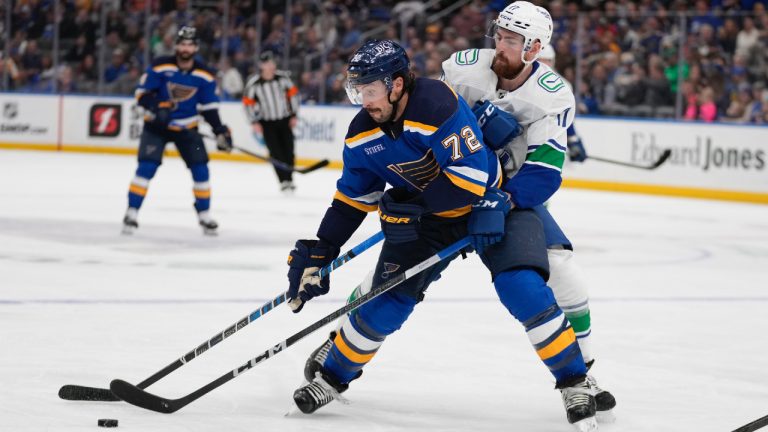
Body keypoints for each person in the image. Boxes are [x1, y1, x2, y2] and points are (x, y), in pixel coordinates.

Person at [286, 39, 599, 431]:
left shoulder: (436, 103)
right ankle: (331, 377)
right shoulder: (362, 133)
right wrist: (323, 248)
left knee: (523, 287)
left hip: (494, 202)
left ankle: (575, 380)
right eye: (357, 90)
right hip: (430, 219)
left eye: (369, 90)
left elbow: (469, 179)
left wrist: (410, 207)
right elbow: (353, 198)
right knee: (387, 301)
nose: (362, 100)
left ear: (396, 84)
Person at [440, 0, 615, 421]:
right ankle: (341, 345)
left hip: (509, 197)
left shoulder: (552, 95)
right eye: (498, 34)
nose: (499, 44)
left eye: (511, 39)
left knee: (564, 274)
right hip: (450, 189)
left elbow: (544, 172)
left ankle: (583, 373)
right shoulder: (463, 68)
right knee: (393, 274)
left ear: (535, 48)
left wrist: (507, 199)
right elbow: (429, 120)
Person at [122, 26, 233, 236]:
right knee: (146, 167)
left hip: (187, 128)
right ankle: (131, 212)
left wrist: (220, 130)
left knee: (201, 170)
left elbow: (210, 109)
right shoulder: (160, 66)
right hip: (157, 126)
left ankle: (204, 215)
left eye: (190, 44)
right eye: (182, 43)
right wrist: (158, 105)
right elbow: (141, 94)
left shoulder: (205, 76)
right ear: (176, 46)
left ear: (196, 48)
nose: (186, 48)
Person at [242, 51, 300, 193]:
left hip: (284, 120)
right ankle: (283, 181)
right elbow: (247, 103)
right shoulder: (254, 83)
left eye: (272, 63)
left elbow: (293, 96)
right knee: (275, 153)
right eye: (267, 63)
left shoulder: (282, 79)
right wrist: (254, 121)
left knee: (289, 151)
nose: (271, 66)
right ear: (261, 65)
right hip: (267, 123)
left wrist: (294, 115)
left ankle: (289, 179)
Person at [537, 43, 588, 164]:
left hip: (550, 140)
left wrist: (574, 140)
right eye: (540, 60)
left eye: (548, 60)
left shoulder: (563, 85)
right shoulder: (521, 80)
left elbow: (565, 118)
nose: (544, 64)